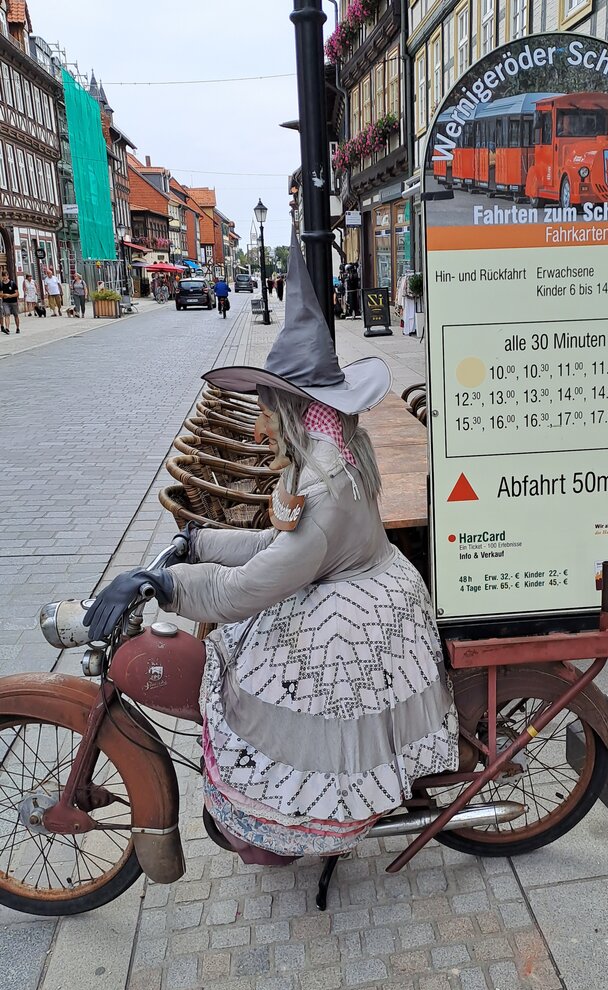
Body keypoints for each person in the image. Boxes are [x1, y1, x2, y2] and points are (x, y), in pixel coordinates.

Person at [83, 232, 458, 865]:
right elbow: (272, 543)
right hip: (357, 584)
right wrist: (196, 540)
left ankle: (313, 819)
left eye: (264, 414)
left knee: (274, 688)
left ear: (290, 416)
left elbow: (246, 589)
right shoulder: (327, 456)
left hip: (355, 613)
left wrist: (163, 585)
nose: (258, 428)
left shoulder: (323, 489)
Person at [1, 270, 20, 335]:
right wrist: (4, 295)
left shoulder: (12, 283)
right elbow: (0, 294)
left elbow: (17, 294)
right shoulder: (1, 284)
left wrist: (9, 296)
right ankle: (7, 328)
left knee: (16, 315)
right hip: (5, 302)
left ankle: (17, 328)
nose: (4, 278)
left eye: (5, 276)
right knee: (7, 314)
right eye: (3, 276)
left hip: (13, 302)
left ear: (8, 276)